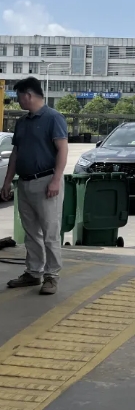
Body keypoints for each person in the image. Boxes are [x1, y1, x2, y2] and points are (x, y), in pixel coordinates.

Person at [1, 77, 68, 295]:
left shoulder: (53, 118)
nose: (18, 101)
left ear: (28, 95)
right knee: (31, 232)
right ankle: (33, 272)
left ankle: (52, 276)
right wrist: (8, 181)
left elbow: (63, 149)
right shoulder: (22, 122)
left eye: (19, 96)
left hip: (46, 182)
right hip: (25, 182)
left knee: (50, 232)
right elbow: (16, 153)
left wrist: (56, 180)